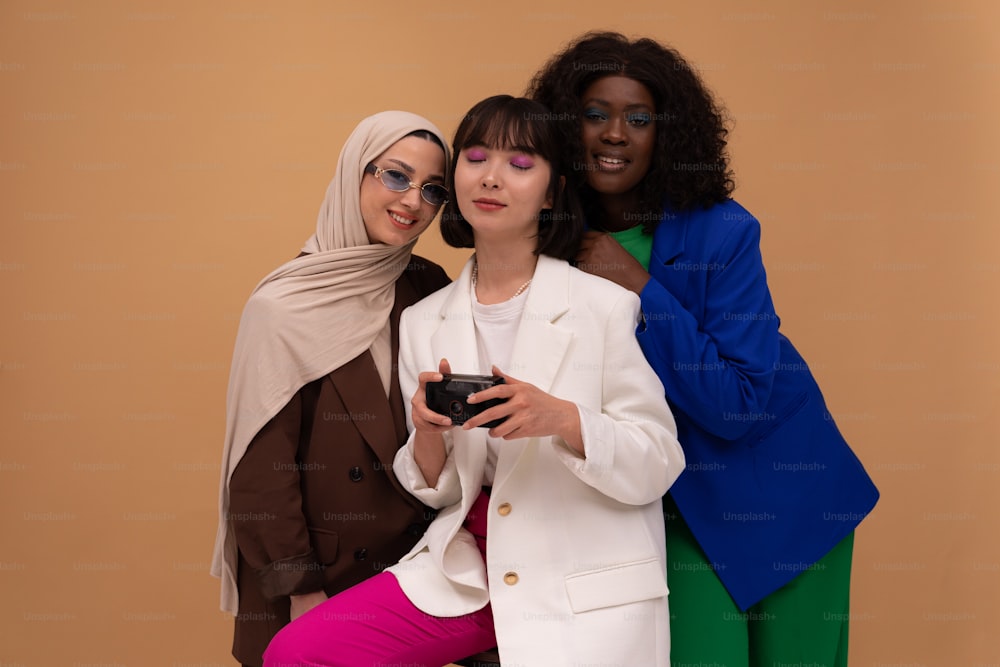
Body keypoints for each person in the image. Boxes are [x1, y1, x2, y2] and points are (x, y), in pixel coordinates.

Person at [261, 95, 685, 667]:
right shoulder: (423, 318)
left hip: (579, 572)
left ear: (553, 190)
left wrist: (562, 418)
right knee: (299, 653)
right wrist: (428, 430)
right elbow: (434, 488)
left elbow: (659, 459)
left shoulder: (602, 307)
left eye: (520, 164)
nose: (491, 178)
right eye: (477, 157)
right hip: (470, 565)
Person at [528, 31, 880, 667]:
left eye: (639, 119)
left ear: (669, 135)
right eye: (594, 114)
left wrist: (640, 287)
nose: (615, 134)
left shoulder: (724, 229)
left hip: (784, 496)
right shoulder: (546, 236)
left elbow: (738, 403)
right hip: (667, 505)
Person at [210, 110, 452, 667]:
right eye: (395, 175)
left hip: (408, 578)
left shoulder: (428, 286)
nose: (413, 201)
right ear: (353, 174)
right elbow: (260, 468)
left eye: (432, 189)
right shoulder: (282, 305)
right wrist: (302, 589)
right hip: (312, 578)